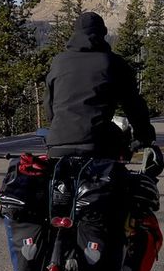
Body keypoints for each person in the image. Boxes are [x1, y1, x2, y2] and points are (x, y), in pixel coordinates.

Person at [44, 10, 157, 160]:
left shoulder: (58, 62)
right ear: (102, 33)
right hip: (99, 142)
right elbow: (133, 105)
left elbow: (49, 105)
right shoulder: (113, 63)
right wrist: (143, 136)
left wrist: (59, 128)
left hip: (58, 143)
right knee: (122, 178)